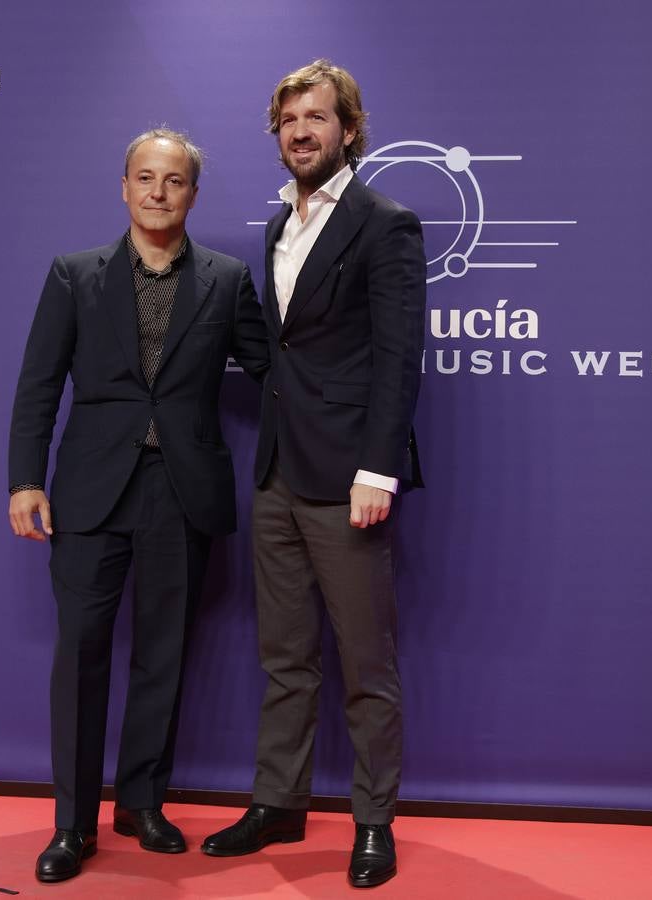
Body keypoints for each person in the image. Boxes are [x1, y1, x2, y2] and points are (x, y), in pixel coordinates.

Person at [7, 127, 268, 884]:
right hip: (90, 493)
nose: (159, 191)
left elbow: (271, 367)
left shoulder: (225, 279)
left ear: (193, 193)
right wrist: (25, 479)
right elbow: (37, 384)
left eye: (175, 180)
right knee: (81, 658)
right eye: (145, 178)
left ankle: (142, 803)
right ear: (123, 187)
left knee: (163, 656)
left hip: (180, 491)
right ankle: (72, 823)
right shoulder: (74, 274)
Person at [201, 60, 425, 889]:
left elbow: (399, 360)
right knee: (284, 655)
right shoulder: (276, 227)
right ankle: (279, 802)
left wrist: (380, 469)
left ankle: (373, 822)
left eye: (316, 118)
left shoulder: (384, 222)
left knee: (366, 662)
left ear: (349, 129)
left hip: (348, 477)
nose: (300, 131)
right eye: (288, 120)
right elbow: (286, 350)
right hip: (275, 473)